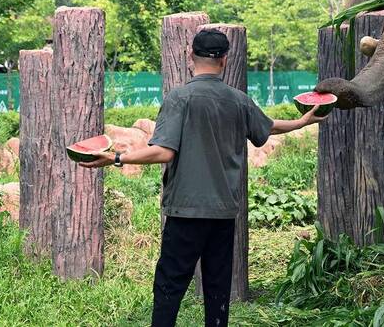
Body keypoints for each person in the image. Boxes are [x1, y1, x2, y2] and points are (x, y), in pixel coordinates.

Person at [79, 28, 327, 327]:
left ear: (189, 56)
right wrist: (302, 121)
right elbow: (269, 126)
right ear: (224, 60)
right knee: (217, 286)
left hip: (186, 208)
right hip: (223, 210)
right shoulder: (239, 100)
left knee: (170, 284)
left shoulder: (180, 98)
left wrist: (115, 157)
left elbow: (162, 152)